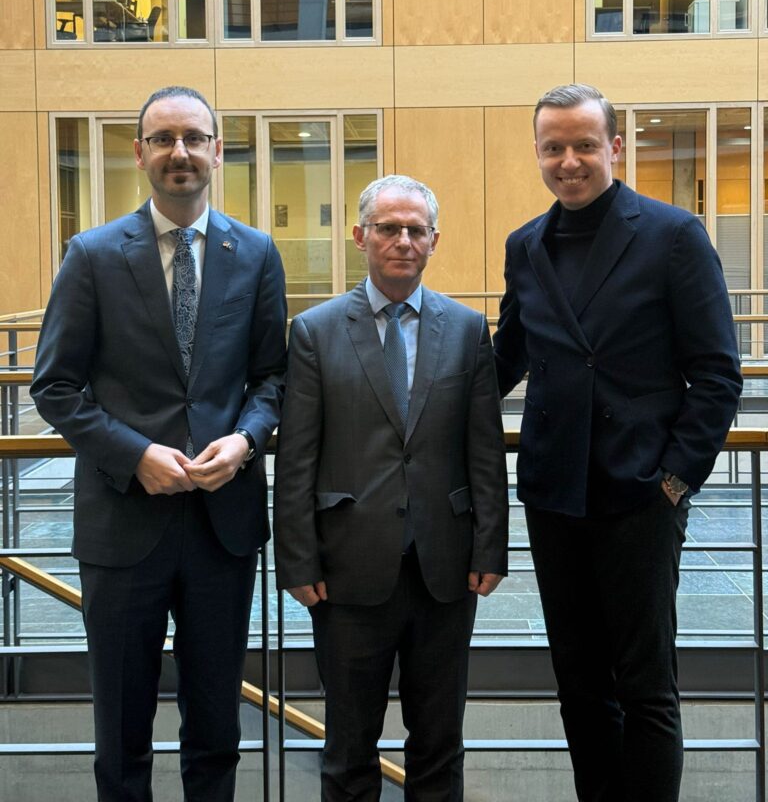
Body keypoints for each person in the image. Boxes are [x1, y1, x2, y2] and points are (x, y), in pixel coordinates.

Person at [31, 85, 287, 802]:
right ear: (141, 152)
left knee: (217, 730)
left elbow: (273, 377)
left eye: (194, 138)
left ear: (217, 151)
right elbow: (55, 386)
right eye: (164, 138)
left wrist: (245, 441)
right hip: (122, 525)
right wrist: (134, 455)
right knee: (120, 734)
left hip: (221, 527)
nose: (181, 152)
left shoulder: (255, 253)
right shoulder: (92, 255)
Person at [493, 83, 742, 802]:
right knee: (578, 683)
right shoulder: (526, 245)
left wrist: (674, 480)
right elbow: (505, 360)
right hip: (555, 494)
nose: (569, 161)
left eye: (584, 145)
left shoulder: (673, 235)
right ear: (537, 153)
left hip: (640, 495)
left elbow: (717, 374)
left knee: (646, 685)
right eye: (554, 148)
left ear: (615, 148)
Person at [274, 174, 508, 801]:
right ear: (360, 236)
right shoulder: (315, 331)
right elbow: (296, 458)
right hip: (345, 571)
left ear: (434, 240)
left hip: (446, 570)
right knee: (349, 749)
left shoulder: (466, 329)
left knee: (440, 745)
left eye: (415, 230)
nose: (402, 240)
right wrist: (296, 560)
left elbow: (484, 450)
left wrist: (491, 548)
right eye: (387, 228)